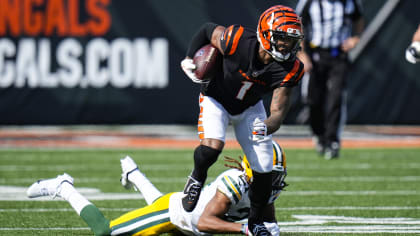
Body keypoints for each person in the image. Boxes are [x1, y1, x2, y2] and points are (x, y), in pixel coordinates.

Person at [180, 5, 304, 235]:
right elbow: (207, 30)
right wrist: (189, 56)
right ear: (266, 35)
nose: (288, 45)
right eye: (282, 38)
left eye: (292, 40)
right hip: (215, 98)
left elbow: (278, 111)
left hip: (250, 107)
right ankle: (197, 177)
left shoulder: (291, 68)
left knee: (264, 167)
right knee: (212, 148)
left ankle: (255, 222)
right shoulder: (237, 40)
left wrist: (266, 125)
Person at [26, 141, 288, 236]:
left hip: (190, 228)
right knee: (105, 232)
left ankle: (133, 173)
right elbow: (207, 221)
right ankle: (62, 187)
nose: (272, 181)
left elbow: (268, 225)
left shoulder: (269, 190)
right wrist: (245, 229)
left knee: (162, 202)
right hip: (178, 216)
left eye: (275, 175)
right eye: (267, 175)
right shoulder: (234, 182)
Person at [296, 0, 365, 159]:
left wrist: (356, 37)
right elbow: (298, 24)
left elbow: (359, 19)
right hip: (315, 55)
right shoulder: (310, 3)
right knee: (313, 99)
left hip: (339, 56)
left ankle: (333, 141)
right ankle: (319, 135)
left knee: (336, 97)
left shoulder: (350, 2)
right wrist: (302, 53)